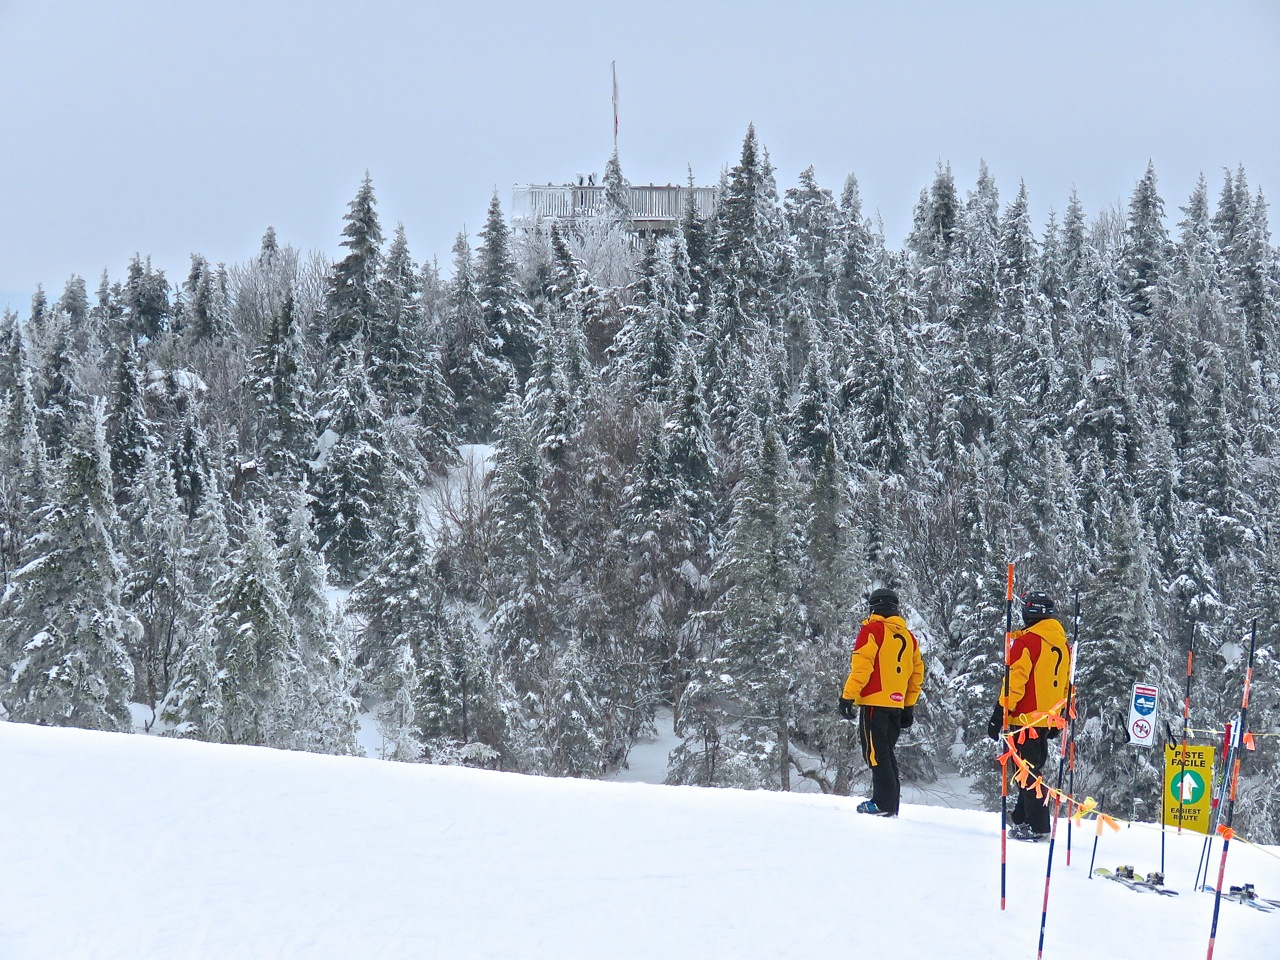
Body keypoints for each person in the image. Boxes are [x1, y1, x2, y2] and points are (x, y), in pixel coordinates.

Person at [986, 591, 1071, 841]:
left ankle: (1037, 825)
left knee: (1027, 773)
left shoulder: (1027, 642)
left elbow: (1015, 682)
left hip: (1023, 719)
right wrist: (1059, 716)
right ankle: (1022, 816)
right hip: (1045, 720)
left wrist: (999, 711)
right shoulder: (1061, 644)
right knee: (1029, 769)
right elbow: (1065, 684)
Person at [838, 587, 925, 816]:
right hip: (896, 704)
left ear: (874, 607)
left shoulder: (872, 630)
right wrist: (908, 704)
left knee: (876, 753)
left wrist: (848, 696)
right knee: (886, 752)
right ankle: (890, 803)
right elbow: (917, 674)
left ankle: (882, 804)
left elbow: (862, 667)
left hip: (875, 702)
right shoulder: (909, 637)